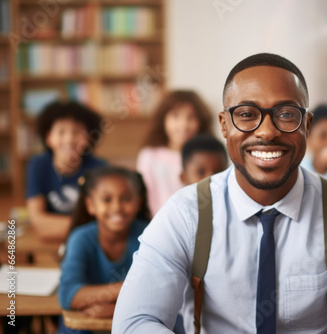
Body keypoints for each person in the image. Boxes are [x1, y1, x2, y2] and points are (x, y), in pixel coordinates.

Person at [113, 53, 327, 333]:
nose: (267, 131)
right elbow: (133, 323)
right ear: (224, 125)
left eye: (287, 114)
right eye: (247, 114)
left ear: (308, 125)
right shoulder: (186, 212)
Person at [58, 166, 150, 333]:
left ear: (139, 201)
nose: (117, 207)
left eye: (126, 198)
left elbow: (160, 292)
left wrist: (115, 309)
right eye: (107, 200)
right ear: (90, 205)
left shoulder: (150, 235)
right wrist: (130, 291)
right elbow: (69, 295)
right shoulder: (80, 238)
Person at [26, 100, 106, 242]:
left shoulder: (100, 168)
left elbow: (105, 220)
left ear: (88, 138)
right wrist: (89, 227)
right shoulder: (38, 165)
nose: (69, 139)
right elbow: (39, 223)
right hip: (56, 243)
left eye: (76, 132)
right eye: (61, 131)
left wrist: (54, 225)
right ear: (48, 138)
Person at [136, 90, 213, 215]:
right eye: (175, 116)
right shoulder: (149, 156)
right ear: (163, 119)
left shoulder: (207, 157)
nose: (183, 125)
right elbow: (145, 197)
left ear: (201, 121)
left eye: (191, 117)